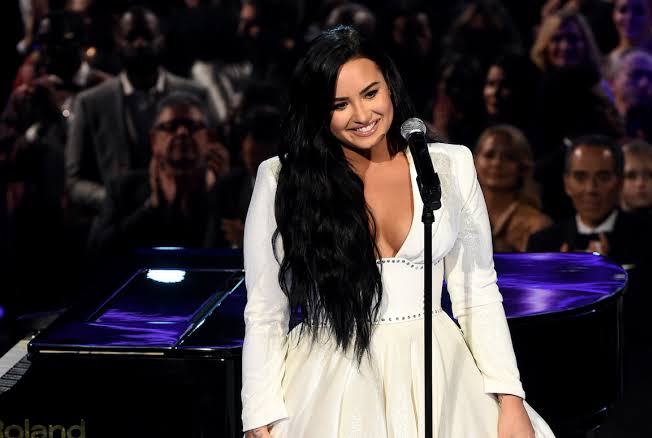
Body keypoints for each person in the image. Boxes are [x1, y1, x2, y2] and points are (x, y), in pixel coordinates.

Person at [241, 26, 554, 438]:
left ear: (390, 85)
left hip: (440, 372)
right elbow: (265, 310)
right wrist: (257, 415)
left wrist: (510, 398)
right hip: (329, 377)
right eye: (340, 104)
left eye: (370, 93)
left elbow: (477, 291)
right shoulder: (281, 179)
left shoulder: (448, 166)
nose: (362, 115)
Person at [65, 6, 211, 213]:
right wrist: (115, 200)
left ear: (161, 41)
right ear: (118, 43)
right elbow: (74, 181)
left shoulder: (196, 95)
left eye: (147, 37)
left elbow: (214, 159)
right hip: (119, 222)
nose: (140, 44)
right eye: (132, 37)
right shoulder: (90, 103)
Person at [87, 91, 249, 255]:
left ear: (209, 138)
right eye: (171, 127)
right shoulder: (124, 188)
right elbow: (97, 253)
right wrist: (151, 207)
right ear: (154, 140)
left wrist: (219, 194)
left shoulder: (237, 188)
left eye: (192, 126)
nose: (182, 133)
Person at [474, 125, 552, 252]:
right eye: (489, 155)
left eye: (508, 157)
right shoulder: (457, 216)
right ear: (474, 161)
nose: (497, 163)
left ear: (522, 167)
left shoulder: (537, 225)